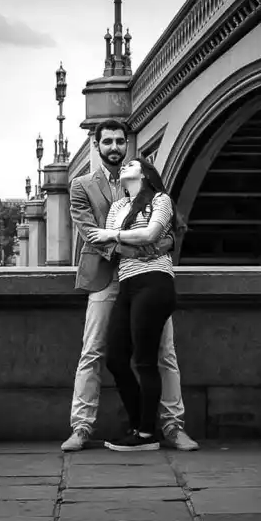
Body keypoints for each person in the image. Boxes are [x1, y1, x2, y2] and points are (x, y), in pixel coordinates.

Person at [61, 120, 198, 452]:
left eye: (120, 141)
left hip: (147, 280)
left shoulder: (147, 184)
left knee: (165, 353)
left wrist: (155, 244)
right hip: (107, 277)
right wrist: (142, 247)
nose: (114, 147)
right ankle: (81, 427)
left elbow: (166, 233)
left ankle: (172, 426)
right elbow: (91, 234)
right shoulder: (81, 186)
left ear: (128, 145)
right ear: (96, 145)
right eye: (107, 141)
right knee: (93, 352)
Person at [83, 154, 183, 452]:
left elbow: (150, 232)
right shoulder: (118, 207)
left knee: (145, 361)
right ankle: (143, 422)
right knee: (115, 358)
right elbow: (110, 246)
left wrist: (117, 234)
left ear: (145, 173)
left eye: (133, 164)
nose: (125, 165)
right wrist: (147, 245)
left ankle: (144, 434)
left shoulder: (160, 200)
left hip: (155, 283)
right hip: (127, 285)